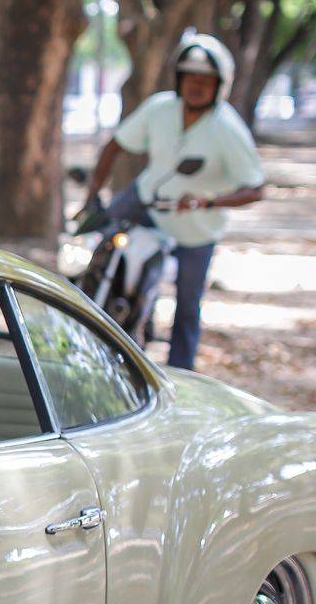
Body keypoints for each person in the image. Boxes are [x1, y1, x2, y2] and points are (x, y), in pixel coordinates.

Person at [77, 33, 266, 370]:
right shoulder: (159, 109)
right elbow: (115, 145)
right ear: (178, 80)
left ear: (219, 86)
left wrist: (207, 202)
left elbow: (256, 189)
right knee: (98, 254)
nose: (196, 86)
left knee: (188, 305)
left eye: (205, 80)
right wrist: (91, 197)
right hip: (146, 202)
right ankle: (85, 340)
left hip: (196, 229)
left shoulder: (228, 129)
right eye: (189, 78)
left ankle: (181, 373)